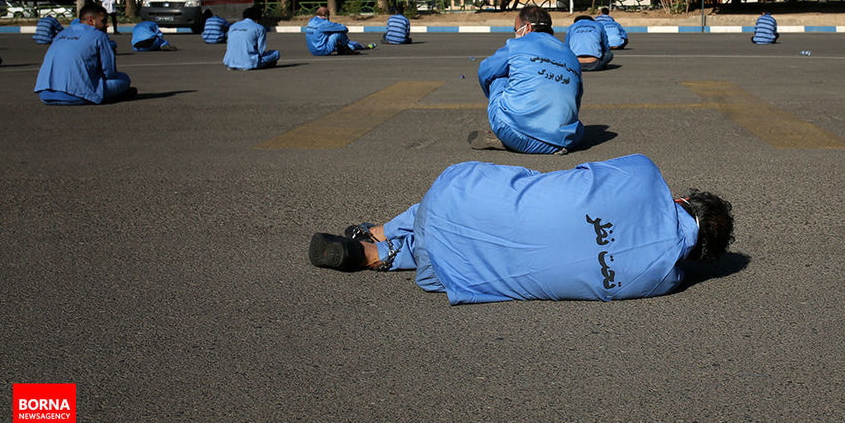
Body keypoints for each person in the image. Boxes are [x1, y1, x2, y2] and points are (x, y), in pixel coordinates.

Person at [307, 153, 735, 304]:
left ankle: (378, 231)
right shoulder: (665, 281)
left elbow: (582, 173)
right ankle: (375, 256)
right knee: (484, 250)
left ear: (682, 200)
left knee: (512, 196)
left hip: (455, 197)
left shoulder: (643, 173)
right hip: (447, 276)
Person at [473, 6, 584, 155]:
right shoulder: (570, 54)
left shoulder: (517, 45)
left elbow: (485, 71)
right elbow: (577, 97)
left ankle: (508, 130)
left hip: (515, 134)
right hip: (565, 141)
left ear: (527, 27)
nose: (515, 33)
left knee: (498, 76)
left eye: (516, 29)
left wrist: (498, 96)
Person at [33, 1, 134, 105]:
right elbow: (110, 73)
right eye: (103, 21)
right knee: (124, 79)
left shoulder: (62, 34)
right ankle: (101, 96)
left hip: (45, 94)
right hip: (76, 95)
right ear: (91, 20)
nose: (107, 25)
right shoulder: (99, 35)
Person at [304, 6, 374, 55]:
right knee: (340, 34)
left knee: (345, 42)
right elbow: (343, 28)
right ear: (326, 15)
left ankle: (348, 47)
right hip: (322, 50)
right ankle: (347, 49)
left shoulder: (311, 21)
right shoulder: (324, 23)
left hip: (313, 50)